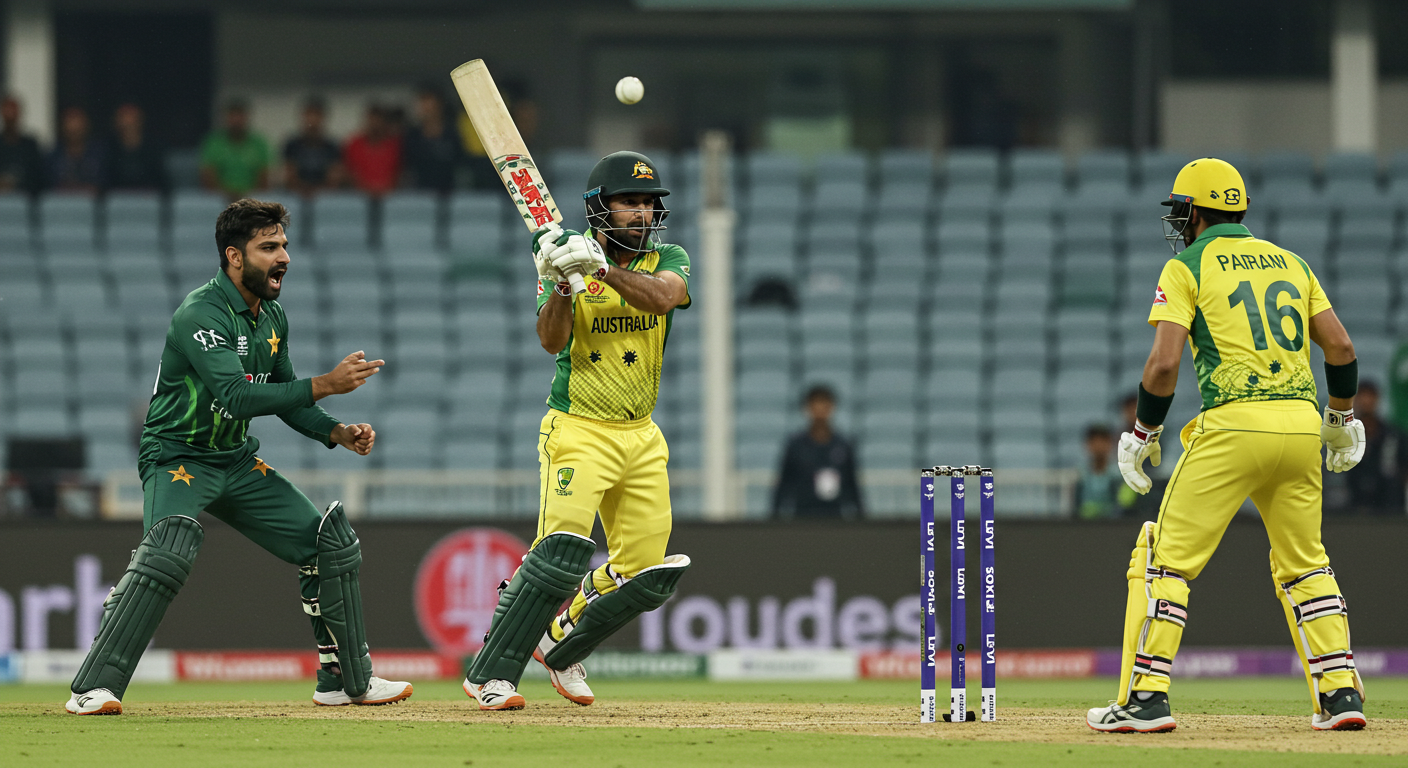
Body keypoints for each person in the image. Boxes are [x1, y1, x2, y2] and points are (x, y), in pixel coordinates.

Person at [64, 199, 410, 715]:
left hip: (234, 459)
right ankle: (95, 687)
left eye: (284, 245)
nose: (283, 256)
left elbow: (285, 395)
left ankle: (342, 680)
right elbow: (238, 397)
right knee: (167, 553)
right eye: (268, 247)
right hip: (176, 456)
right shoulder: (200, 313)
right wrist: (325, 385)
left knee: (327, 545)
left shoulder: (271, 316)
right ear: (233, 256)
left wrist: (336, 432)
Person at [1086, 158, 1367, 733]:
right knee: (1306, 565)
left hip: (1234, 426)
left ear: (1197, 211)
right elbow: (1339, 348)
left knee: (1163, 559)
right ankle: (1340, 696)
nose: (1178, 220)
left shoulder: (1186, 266)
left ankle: (1145, 698)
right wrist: (1338, 419)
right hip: (1299, 427)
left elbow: (1164, 364)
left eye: (1181, 209)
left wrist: (1144, 432)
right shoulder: (1292, 263)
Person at [462, 151, 691, 711]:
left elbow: (663, 298)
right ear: (599, 208)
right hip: (578, 428)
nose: (640, 214)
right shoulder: (566, 260)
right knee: (559, 550)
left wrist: (600, 270)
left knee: (644, 570)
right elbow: (550, 341)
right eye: (628, 202)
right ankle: (493, 672)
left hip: (641, 435)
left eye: (647, 204)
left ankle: (557, 645)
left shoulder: (670, 257)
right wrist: (563, 281)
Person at [770, 385, 865, 519]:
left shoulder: (843, 445)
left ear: (831, 407)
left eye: (824, 405)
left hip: (835, 517)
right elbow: (784, 484)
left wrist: (861, 517)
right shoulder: (795, 445)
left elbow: (853, 485)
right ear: (807, 408)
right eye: (815, 405)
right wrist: (775, 517)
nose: (820, 410)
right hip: (802, 517)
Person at [1341, 380, 1406, 515]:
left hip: (1389, 511)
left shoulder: (1393, 437)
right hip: (1350, 511)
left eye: (1370, 396)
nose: (1366, 401)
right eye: (1362, 396)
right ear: (1355, 400)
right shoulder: (1343, 437)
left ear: (1377, 399)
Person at [200, 100, 269, 198]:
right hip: (220, 198)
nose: (236, 121)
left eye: (240, 117)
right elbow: (208, 177)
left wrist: (247, 198)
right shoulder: (213, 143)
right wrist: (227, 196)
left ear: (246, 118)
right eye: (232, 117)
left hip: (252, 198)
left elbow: (264, 179)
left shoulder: (259, 144)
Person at [401, 86, 462, 194]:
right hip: (420, 195)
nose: (424, 109)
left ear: (439, 105)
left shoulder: (453, 134)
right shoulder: (412, 136)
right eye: (421, 104)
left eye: (428, 104)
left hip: (450, 194)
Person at [282, 97, 343, 195]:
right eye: (309, 115)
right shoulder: (292, 146)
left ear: (323, 118)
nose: (313, 120)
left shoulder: (332, 147)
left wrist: (316, 191)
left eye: (316, 115)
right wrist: (304, 190)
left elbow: (334, 180)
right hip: (297, 195)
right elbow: (289, 177)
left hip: (324, 195)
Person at [105, 103, 167, 192]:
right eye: (123, 117)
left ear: (140, 121)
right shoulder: (108, 148)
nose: (126, 122)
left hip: (149, 198)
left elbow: (161, 182)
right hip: (117, 199)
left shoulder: (154, 148)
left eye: (131, 117)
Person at [342, 104, 401, 196]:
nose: (375, 125)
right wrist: (366, 189)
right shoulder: (354, 145)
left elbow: (398, 173)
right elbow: (348, 172)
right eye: (372, 120)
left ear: (384, 123)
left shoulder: (394, 146)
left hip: (389, 197)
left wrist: (384, 188)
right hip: (358, 197)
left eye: (378, 120)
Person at [47, 106, 105, 192]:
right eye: (69, 121)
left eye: (78, 122)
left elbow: (104, 187)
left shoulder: (100, 156)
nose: (73, 128)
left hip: (94, 204)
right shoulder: (52, 158)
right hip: (61, 204)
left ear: (86, 125)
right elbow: (49, 188)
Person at [1073, 424, 1126, 520]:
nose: (1098, 446)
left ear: (1110, 444)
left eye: (1103, 442)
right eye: (1094, 442)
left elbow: (1121, 507)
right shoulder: (1081, 476)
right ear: (1088, 445)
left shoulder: (1119, 476)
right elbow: (1076, 507)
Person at [0, 95, 44, 194]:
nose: (10, 117)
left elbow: (38, 179)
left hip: (24, 201)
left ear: (19, 114)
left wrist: (15, 184)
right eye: (7, 113)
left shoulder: (30, 146)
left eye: (13, 113)